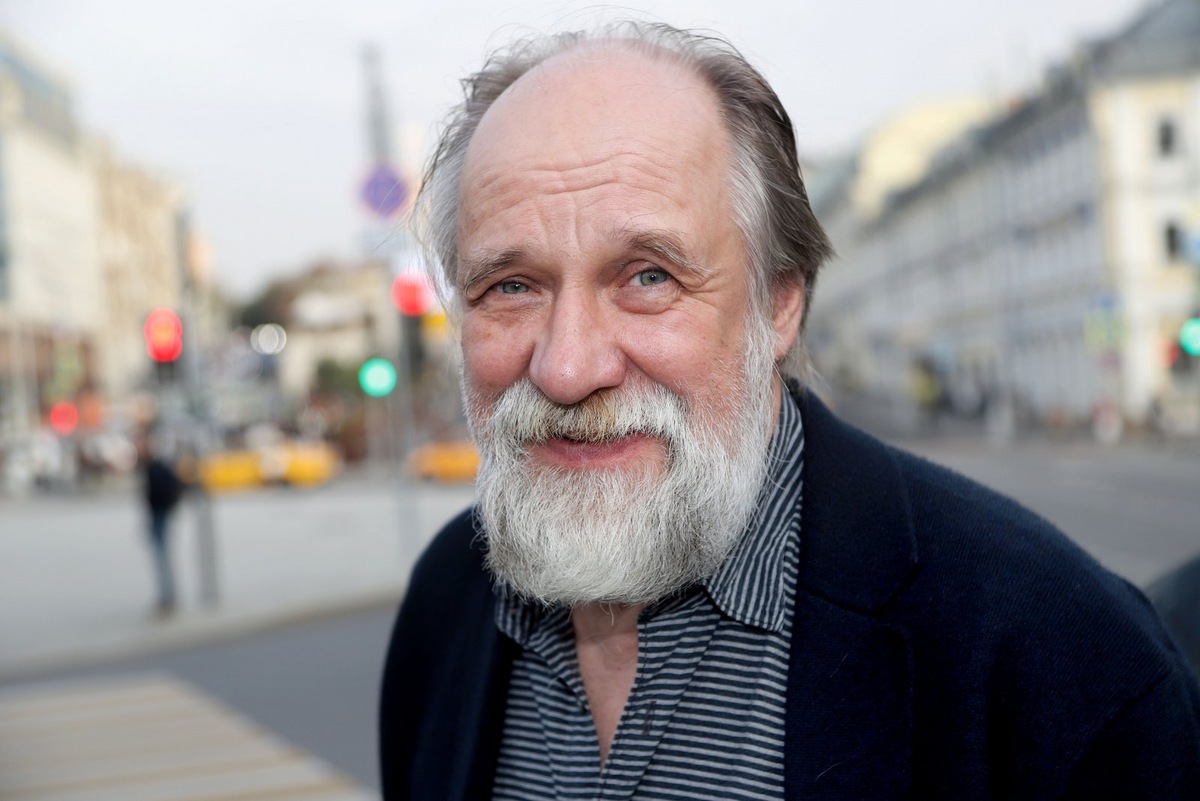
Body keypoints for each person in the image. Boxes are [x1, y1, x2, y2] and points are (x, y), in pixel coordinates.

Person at [379, 22, 1200, 799]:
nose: (566, 367)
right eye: (511, 286)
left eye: (649, 276)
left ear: (779, 301)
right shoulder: (445, 604)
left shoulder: (1056, 659)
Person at [142, 430, 184, 615]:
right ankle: (168, 596)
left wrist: (162, 511)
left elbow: (158, 495)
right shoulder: (158, 466)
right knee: (163, 558)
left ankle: (167, 597)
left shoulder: (156, 468)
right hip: (159, 517)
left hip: (159, 517)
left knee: (162, 558)